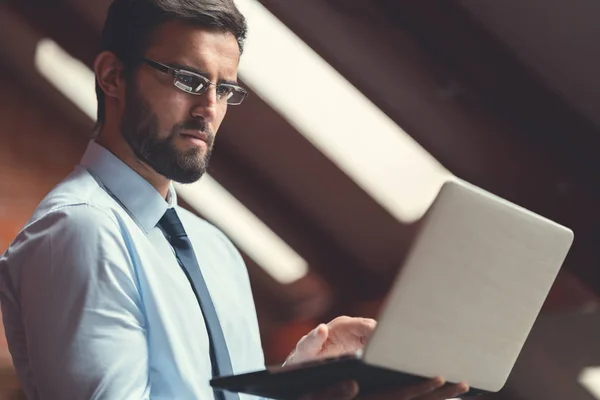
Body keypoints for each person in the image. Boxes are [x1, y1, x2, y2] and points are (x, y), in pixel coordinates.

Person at [0, 1, 469, 399]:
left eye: (224, 88)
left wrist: (301, 375)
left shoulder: (217, 251)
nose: (209, 108)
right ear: (112, 75)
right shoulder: (80, 231)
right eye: (187, 79)